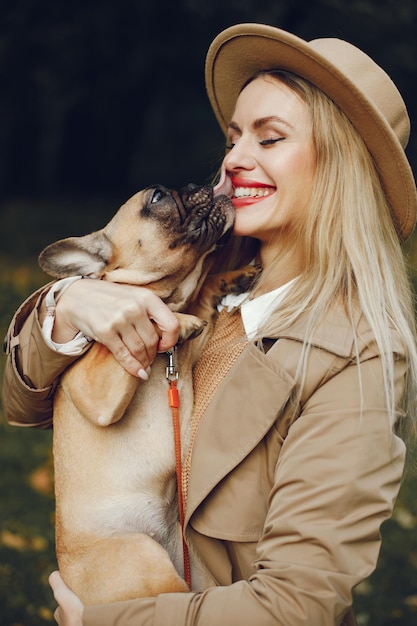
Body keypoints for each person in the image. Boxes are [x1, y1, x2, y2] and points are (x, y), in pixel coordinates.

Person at [2, 22, 417, 626]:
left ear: (338, 170)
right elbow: (20, 402)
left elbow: (298, 608)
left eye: (269, 139)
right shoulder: (198, 274)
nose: (234, 158)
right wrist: (68, 303)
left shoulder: (354, 359)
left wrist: (106, 623)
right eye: (234, 137)